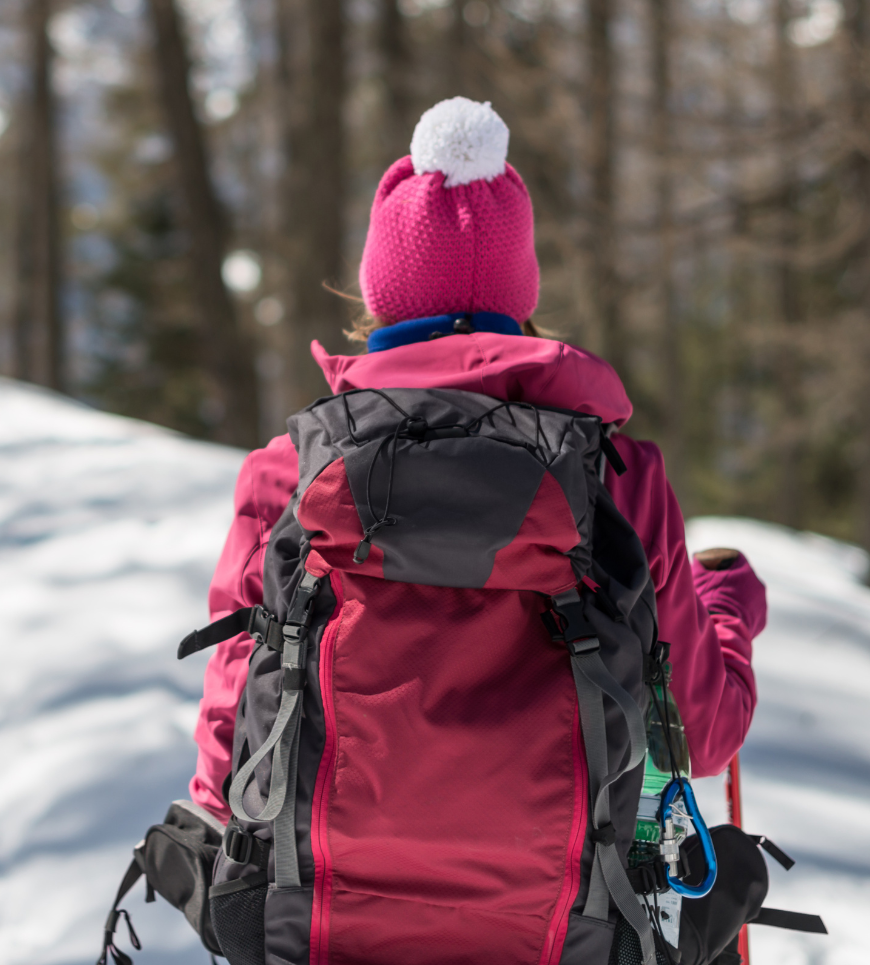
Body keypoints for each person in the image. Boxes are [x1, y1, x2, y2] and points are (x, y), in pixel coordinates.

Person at [187, 97, 766, 870]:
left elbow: (228, 772)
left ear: (380, 295)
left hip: (325, 926)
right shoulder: (618, 476)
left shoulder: (289, 474)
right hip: (568, 932)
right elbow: (699, 736)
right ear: (517, 298)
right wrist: (726, 609)